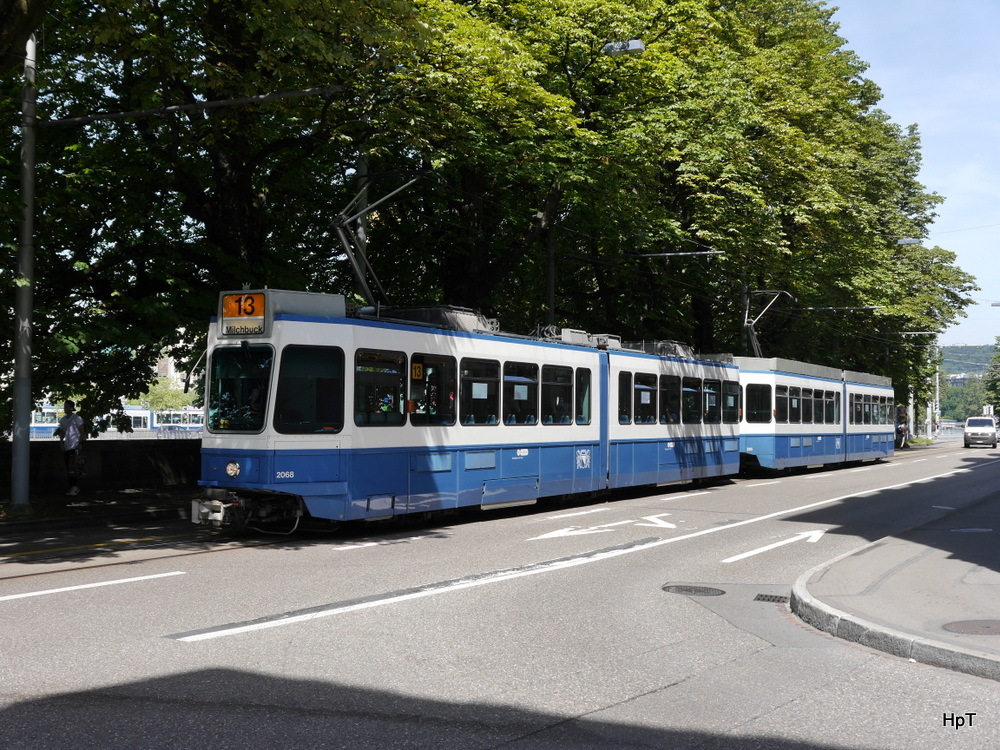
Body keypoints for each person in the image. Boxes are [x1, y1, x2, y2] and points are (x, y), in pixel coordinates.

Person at [54, 400, 85, 496]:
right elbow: (62, 432)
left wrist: (80, 443)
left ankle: (75, 487)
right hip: (67, 445)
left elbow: (82, 431)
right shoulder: (63, 420)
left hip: (74, 445)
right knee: (68, 467)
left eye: (66, 406)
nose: (65, 408)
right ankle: (73, 486)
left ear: (71, 407)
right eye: (64, 406)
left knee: (74, 467)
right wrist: (61, 443)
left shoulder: (77, 418)